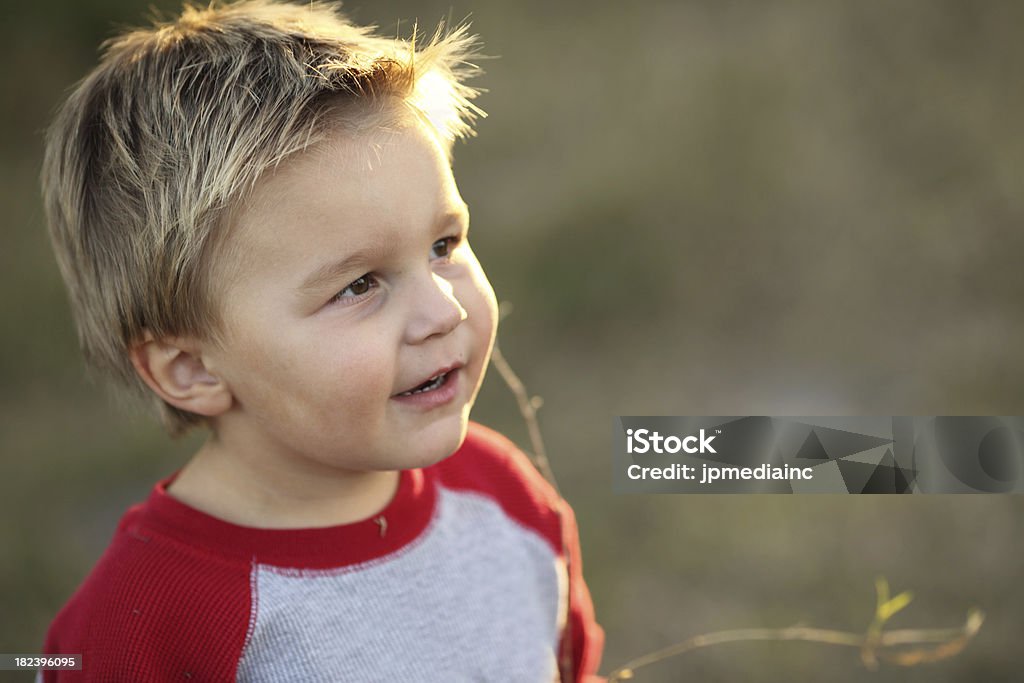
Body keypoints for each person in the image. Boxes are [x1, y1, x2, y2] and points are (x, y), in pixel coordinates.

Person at [38, 1, 603, 680]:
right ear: (191, 367)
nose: (443, 308)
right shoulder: (149, 621)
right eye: (360, 284)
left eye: (444, 244)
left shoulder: (502, 496)